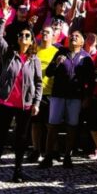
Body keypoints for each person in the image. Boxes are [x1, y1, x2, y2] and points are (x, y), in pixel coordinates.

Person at [0, 22, 43, 183]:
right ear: (17, 39)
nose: (24, 37)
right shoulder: (8, 53)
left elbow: (38, 82)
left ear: (31, 41)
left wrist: (36, 102)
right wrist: (2, 21)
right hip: (6, 102)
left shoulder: (34, 60)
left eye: (27, 36)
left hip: (25, 105)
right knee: (0, 137)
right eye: (21, 35)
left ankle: (18, 170)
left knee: (21, 139)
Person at [40, 30, 95, 169]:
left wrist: (87, 97)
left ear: (82, 42)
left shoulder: (86, 58)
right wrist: (56, 63)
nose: (73, 37)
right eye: (72, 35)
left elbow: (91, 80)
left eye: (77, 36)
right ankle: (48, 156)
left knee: (72, 126)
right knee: (52, 125)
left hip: (75, 97)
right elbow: (49, 72)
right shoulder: (60, 53)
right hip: (58, 95)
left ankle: (68, 156)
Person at [30, 26, 59, 162]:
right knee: (36, 123)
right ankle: (36, 150)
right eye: (43, 31)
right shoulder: (35, 50)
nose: (44, 33)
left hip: (50, 92)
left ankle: (51, 150)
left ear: (54, 36)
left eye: (48, 32)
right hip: (35, 93)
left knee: (50, 124)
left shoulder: (56, 52)